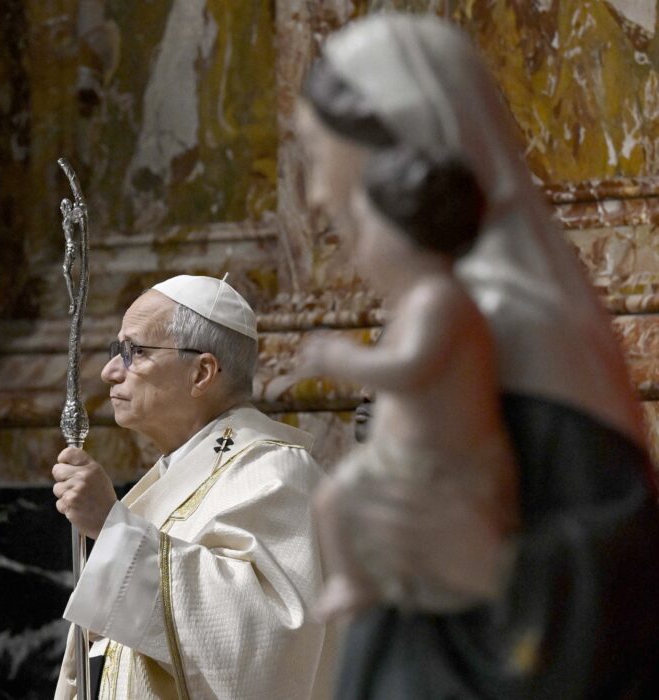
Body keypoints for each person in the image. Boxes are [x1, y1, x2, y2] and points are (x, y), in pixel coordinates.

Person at [286, 12, 659, 699]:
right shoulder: (445, 311)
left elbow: (628, 574)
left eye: (316, 154)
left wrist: (496, 569)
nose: (313, 195)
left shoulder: (524, 327)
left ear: (395, 149)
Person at [52, 274, 332, 699]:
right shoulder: (174, 475)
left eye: (135, 352)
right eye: (117, 351)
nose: (110, 371)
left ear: (201, 372)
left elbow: (272, 643)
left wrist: (113, 531)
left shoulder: (277, 473)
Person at [275, 147, 519, 623]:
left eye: (367, 230)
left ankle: (355, 581)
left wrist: (346, 359)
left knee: (343, 499)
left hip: (442, 462)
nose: (357, 244)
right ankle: (350, 581)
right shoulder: (413, 302)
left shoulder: (440, 300)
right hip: (400, 458)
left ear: (407, 235)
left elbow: (410, 368)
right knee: (331, 498)